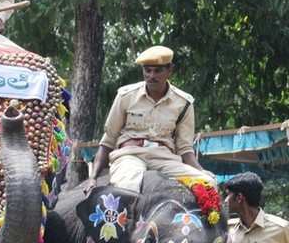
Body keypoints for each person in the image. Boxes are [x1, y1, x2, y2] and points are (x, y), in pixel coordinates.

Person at [86, 45, 215, 194]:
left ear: (170, 70)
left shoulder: (184, 103)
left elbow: (184, 148)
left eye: (158, 70)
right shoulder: (125, 96)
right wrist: (93, 177)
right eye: (147, 70)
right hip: (130, 156)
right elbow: (108, 139)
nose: (151, 75)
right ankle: (126, 217)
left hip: (165, 159)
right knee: (127, 188)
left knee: (209, 185)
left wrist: (201, 171)